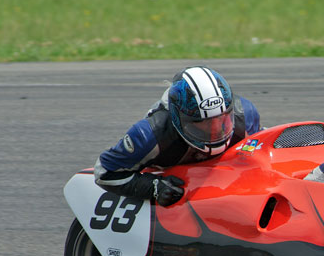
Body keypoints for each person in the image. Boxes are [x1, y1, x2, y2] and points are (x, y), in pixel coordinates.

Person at [94, 66, 261, 206]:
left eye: (222, 120)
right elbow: (104, 171)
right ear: (179, 119)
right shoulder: (150, 135)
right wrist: (153, 187)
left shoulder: (245, 115)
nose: (215, 131)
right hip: (173, 186)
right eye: (202, 124)